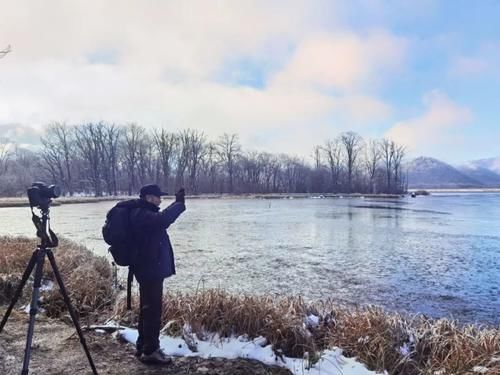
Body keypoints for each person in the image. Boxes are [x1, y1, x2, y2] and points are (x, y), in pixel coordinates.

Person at [125, 184, 186, 364]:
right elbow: (163, 219)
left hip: (147, 268)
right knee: (152, 311)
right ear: (149, 197)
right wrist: (179, 204)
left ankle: (143, 346)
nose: (160, 200)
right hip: (149, 269)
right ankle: (151, 351)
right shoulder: (141, 214)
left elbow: (160, 220)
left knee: (147, 309)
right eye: (158, 197)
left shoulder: (142, 212)